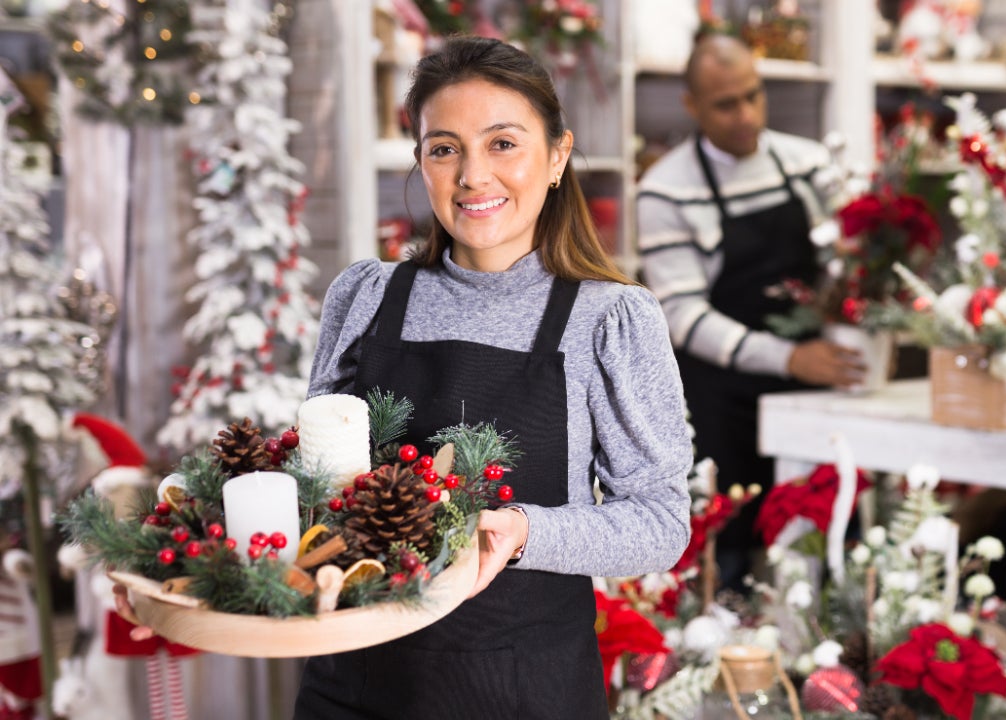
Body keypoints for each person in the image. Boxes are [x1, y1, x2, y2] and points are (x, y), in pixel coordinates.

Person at [121, 36, 693, 719]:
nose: (473, 176)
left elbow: (660, 523)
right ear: (420, 160)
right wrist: (180, 567)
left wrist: (522, 531)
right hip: (354, 687)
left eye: (503, 143)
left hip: (521, 691)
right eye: (444, 148)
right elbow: (316, 496)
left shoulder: (610, 319)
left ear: (558, 156)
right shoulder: (366, 294)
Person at [636, 34, 864, 591]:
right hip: (723, 399)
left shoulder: (808, 165)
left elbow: (843, 261)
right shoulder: (664, 191)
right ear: (692, 105)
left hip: (810, 388)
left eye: (753, 97)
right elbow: (683, 316)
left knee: (825, 540)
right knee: (729, 555)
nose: (745, 116)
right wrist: (789, 358)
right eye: (725, 104)